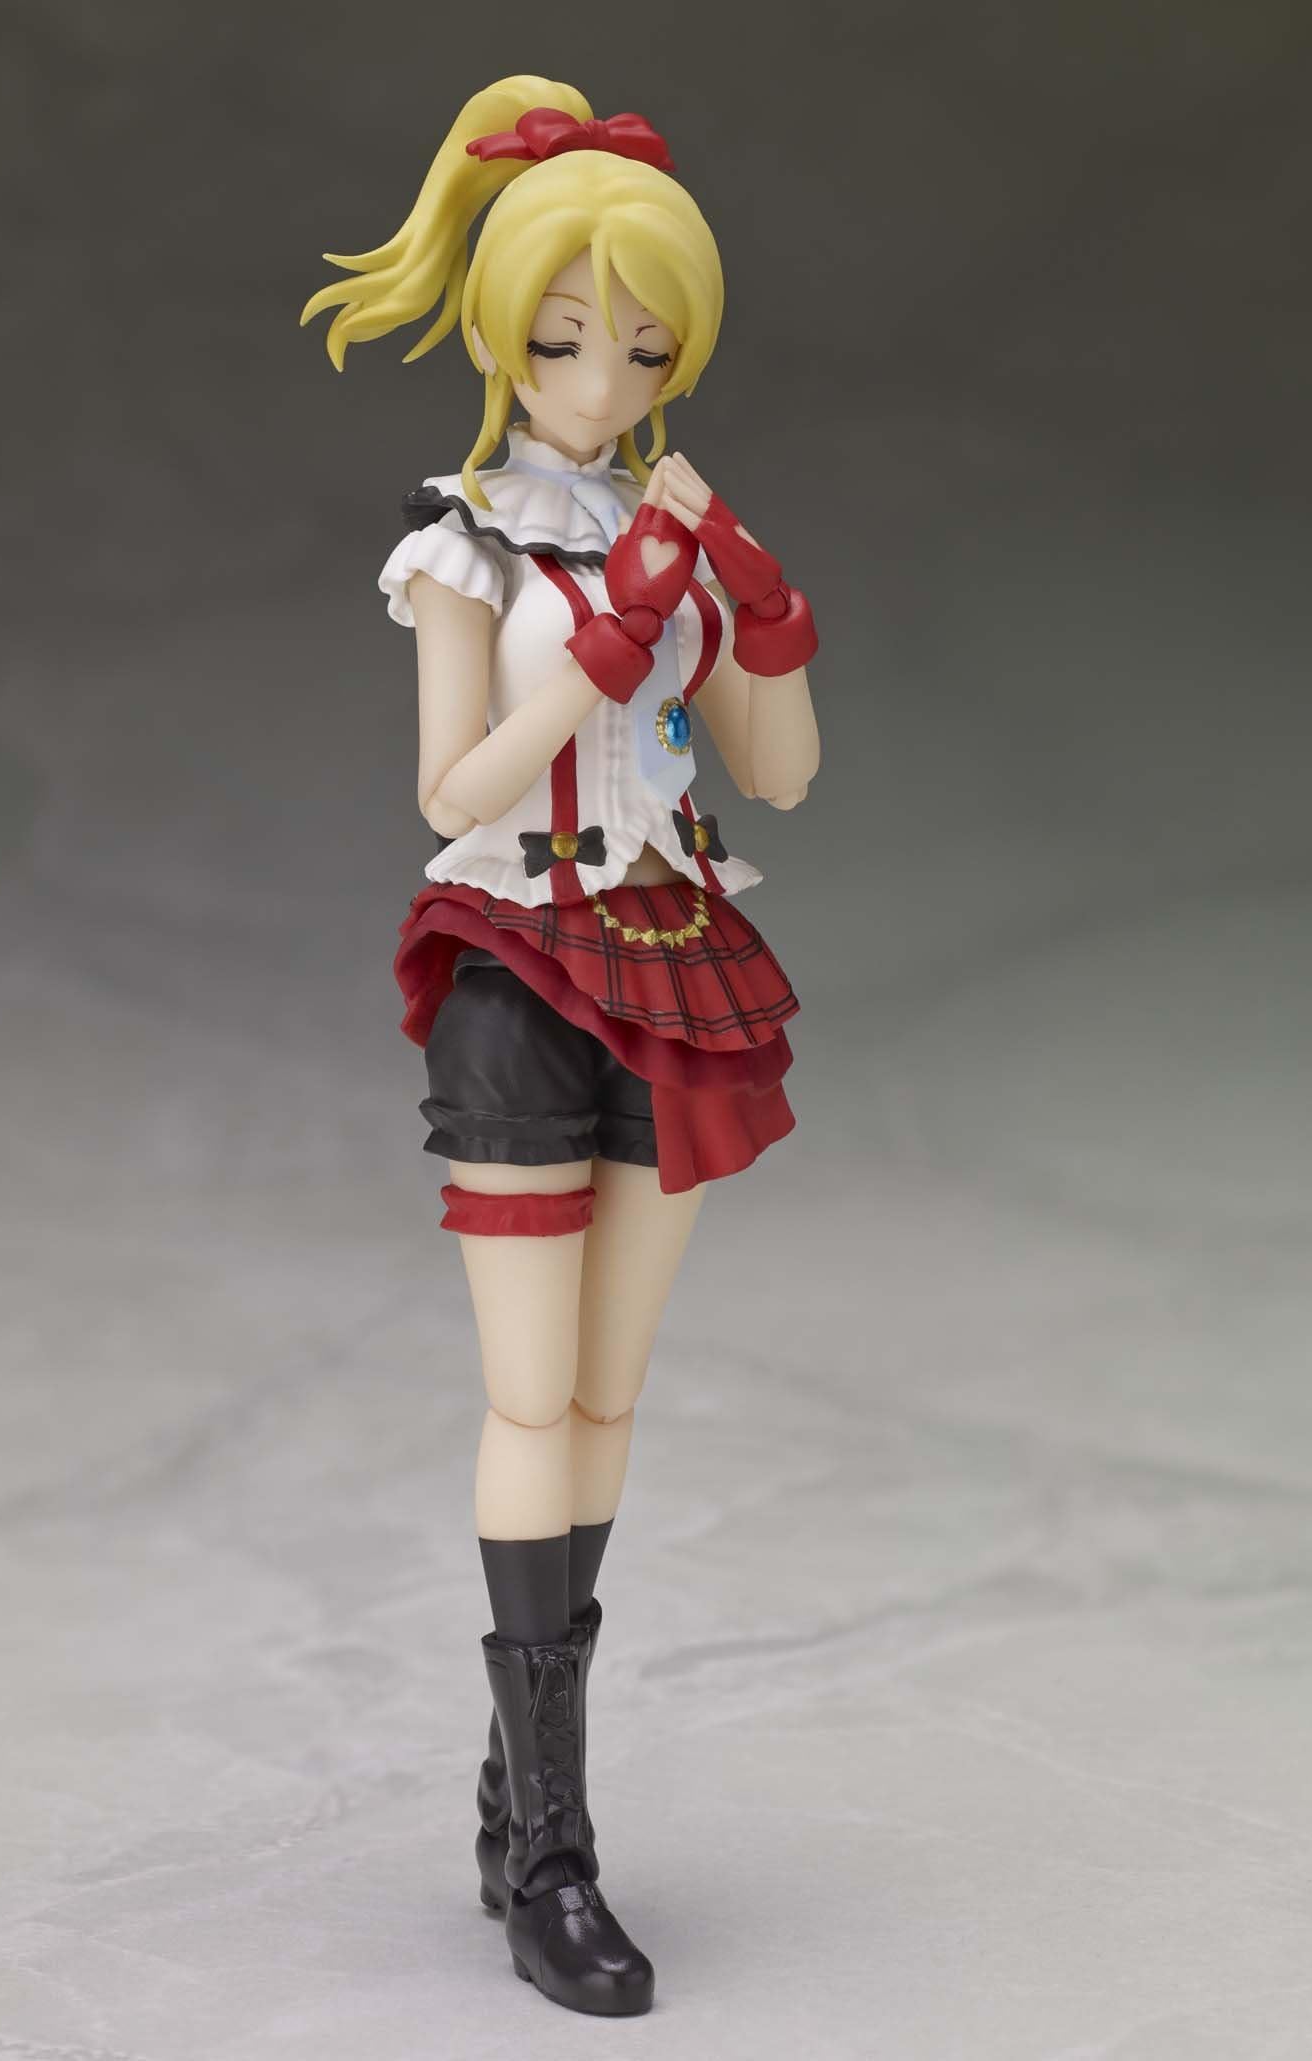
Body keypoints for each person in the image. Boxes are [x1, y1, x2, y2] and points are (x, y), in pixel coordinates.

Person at [302, 74, 820, 2018]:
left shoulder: (675, 520)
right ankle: (550, 1852)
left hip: (674, 947)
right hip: (522, 955)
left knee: (604, 1402)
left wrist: (760, 614)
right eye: (564, 336)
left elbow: (776, 771)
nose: (603, 377)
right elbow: (447, 786)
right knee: (530, 1404)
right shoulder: (464, 544)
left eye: (643, 344)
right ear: (499, 329)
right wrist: (598, 656)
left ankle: (514, 1789)